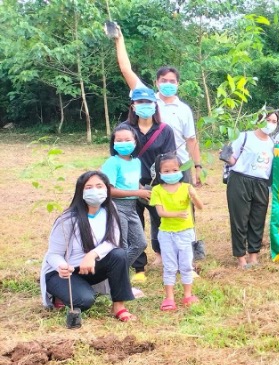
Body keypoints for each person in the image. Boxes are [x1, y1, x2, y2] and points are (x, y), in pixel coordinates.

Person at [111, 24, 202, 186]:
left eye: (172, 81)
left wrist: (197, 166)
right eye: (164, 81)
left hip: (176, 166)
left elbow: (191, 140)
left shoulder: (184, 109)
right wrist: (119, 39)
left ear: (178, 84)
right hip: (145, 166)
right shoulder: (146, 97)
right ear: (156, 82)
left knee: (179, 209)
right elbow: (126, 69)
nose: (168, 84)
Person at [40, 171, 136, 321]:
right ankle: (59, 294)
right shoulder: (67, 219)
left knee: (119, 254)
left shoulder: (110, 210)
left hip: (89, 267)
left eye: (99, 186)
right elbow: (53, 254)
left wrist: (92, 255)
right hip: (63, 272)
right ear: (80, 192)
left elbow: (112, 241)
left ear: (107, 189)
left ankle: (119, 306)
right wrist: (62, 266)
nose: (95, 191)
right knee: (84, 301)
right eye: (89, 187)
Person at [119, 86, 177, 281]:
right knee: (133, 226)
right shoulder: (124, 130)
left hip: (157, 185)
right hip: (130, 187)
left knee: (162, 223)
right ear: (133, 106)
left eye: (148, 102)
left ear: (155, 105)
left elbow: (169, 159)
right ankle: (138, 268)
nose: (145, 106)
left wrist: (159, 186)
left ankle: (166, 259)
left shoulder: (165, 130)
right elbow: (119, 159)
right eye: (140, 102)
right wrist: (137, 188)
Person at [150, 154, 204, 310]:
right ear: (159, 172)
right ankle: (169, 298)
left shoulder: (187, 188)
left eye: (174, 169)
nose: (171, 173)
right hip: (167, 233)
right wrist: (178, 214)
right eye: (166, 171)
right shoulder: (157, 190)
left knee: (186, 265)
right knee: (170, 266)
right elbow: (160, 213)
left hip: (185, 232)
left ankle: (188, 295)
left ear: (181, 170)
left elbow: (200, 207)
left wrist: (194, 196)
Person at [226, 111, 276, 269]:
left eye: (274, 121)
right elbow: (232, 159)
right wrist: (225, 155)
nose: (270, 123)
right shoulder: (244, 136)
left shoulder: (273, 143)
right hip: (240, 179)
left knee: (257, 219)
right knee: (240, 219)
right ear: (259, 120)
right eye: (267, 119)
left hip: (261, 183)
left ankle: (253, 255)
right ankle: (240, 258)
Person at [100, 123, 148, 270]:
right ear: (113, 144)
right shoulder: (112, 162)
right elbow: (109, 190)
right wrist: (137, 193)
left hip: (132, 208)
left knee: (140, 243)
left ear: (135, 141)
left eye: (127, 140)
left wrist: (145, 191)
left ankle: (115, 273)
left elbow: (135, 183)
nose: (123, 143)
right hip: (116, 207)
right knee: (122, 245)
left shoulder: (136, 162)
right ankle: (120, 278)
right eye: (119, 140)